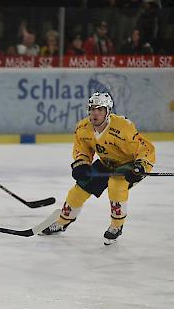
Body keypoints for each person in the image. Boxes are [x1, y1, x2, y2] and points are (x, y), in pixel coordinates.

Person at [40, 92, 155, 245]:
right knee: (79, 190)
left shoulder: (123, 128)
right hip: (106, 163)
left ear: (108, 112)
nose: (95, 113)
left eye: (100, 109)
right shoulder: (83, 128)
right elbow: (82, 150)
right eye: (93, 108)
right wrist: (81, 163)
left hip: (128, 165)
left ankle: (116, 227)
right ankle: (62, 222)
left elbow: (144, 148)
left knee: (116, 185)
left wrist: (141, 166)